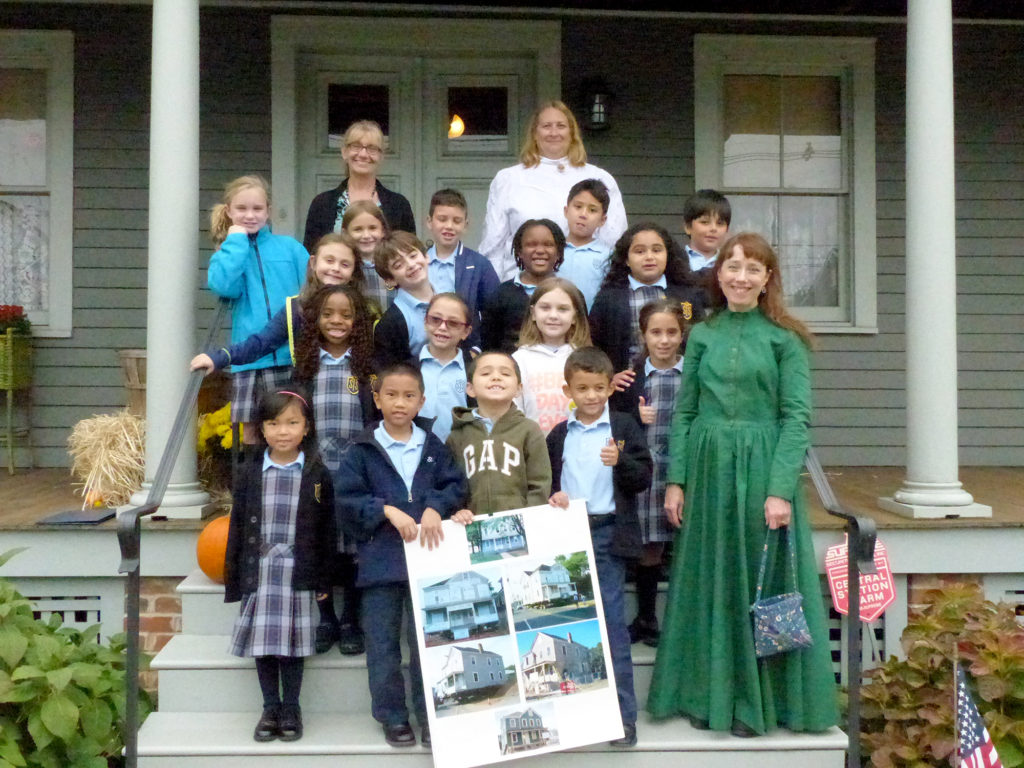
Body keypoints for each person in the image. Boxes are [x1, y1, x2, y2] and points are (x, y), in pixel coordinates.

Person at [648, 232, 838, 736]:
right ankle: (707, 694)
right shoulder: (704, 335)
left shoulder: (785, 339)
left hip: (760, 473)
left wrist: (779, 489)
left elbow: (796, 418)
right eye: (732, 267)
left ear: (767, 279)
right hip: (708, 471)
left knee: (760, 581)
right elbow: (685, 412)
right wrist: (677, 481)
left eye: (753, 269)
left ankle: (760, 703)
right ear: (719, 274)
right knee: (711, 580)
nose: (740, 277)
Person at [335, 363, 470, 748]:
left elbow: (454, 486)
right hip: (381, 563)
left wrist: (434, 507)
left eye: (409, 396)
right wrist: (384, 510)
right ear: (377, 400)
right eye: (391, 395)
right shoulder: (362, 451)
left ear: (422, 401)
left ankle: (432, 715)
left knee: (431, 643)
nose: (400, 403)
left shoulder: (432, 446)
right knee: (382, 645)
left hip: (429, 561)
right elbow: (347, 499)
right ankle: (393, 716)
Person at [547, 347, 653, 748]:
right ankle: (572, 717)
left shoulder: (623, 426)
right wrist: (554, 497)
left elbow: (643, 476)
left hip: (608, 534)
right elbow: (550, 483)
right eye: (582, 388)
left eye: (598, 388)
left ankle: (623, 719)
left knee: (610, 626)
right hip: (567, 536)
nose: (591, 396)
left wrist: (621, 461)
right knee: (568, 628)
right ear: (567, 389)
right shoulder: (559, 433)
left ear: (611, 387)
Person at [223, 388, 334, 743]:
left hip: (296, 572)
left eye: (292, 423)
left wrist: (323, 578)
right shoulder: (249, 473)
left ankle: (292, 708)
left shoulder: (316, 474)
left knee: (292, 647)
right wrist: (235, 576)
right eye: (274, 423)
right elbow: (238, 528)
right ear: (261, 429)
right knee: (265, 645)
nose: (283, 431)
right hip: (261, 572)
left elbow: (325, 529)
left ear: (306, 427)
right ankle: (270, 707)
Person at [291, 284, 378, 656]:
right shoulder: (307, 365)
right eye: (328, 314)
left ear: (357, 320)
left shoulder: (366, 366)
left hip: (356, 469)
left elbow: (375, 416)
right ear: (315, 320)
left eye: (345, 314)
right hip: (317, 470)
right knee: (321, 543)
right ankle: (326, 616)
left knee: (355, 545)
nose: (337, 321)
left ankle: (351, 618)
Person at [609, 299, 689, 646]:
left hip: (683, 468)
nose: (664, 340)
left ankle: (682, 620)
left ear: (682, 334)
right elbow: (614, 421)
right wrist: (633, 417)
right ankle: (646, 616)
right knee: (649, 545)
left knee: (679, 542)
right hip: (647, 469)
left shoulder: (692, 375)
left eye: (672, 332)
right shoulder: (630, 380)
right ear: (643, 335)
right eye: (656, 332)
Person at [206, 175, 309, 444]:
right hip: (249, 358)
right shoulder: (228, 254)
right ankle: (251, 484)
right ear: (229, 211)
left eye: (257, 209)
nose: (250, 215)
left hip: (290, 356)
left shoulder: (290, 249)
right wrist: (236, 241)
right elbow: (225, 286)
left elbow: (312, 291)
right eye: (241, 209)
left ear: (269, 212)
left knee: (288, 428)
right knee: (250, 432)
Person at [478, 101, 627, 281]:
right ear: (534, 133)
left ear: (572, 133)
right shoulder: (508, 179)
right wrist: (495, 292)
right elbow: (493, 245)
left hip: (584, 285)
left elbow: (614, 240)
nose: (554, 132)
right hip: (522, 286)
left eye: (561, 126)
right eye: (546, 126)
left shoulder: (600, 178)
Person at [191, 232, 363, 381]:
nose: (336, 268)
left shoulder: (363, 309)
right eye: (329, 260)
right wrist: (219, 358)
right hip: (307, 398)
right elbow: (261, 343)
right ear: (313, 263)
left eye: (345, 264)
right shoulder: (297, 308)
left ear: (354, 271)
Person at [589, 222, 706, 376]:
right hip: (627, 387)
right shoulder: (609, 299)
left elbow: (699, 339)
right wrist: (608, 377)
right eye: (640, 251)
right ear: (626, 259)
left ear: (667, 255)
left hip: (679, 382)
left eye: (657, 250)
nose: (649, 257)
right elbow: (594, 346)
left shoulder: (686, 295)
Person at [447, 351, 552, 516]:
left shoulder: (529, 430)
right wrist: (458, 511)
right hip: (473, 527)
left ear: (519, 389)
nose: (496, 377)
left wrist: (529, 518)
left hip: (520, 527)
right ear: (470, 388)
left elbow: (540, 483)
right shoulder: (457, 435)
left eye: (505, 373)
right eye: (486, 373)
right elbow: (451, 484)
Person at [302, 119, 416, 251]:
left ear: (381, 156)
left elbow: (409, 252)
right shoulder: (322, 204)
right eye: (356, 146)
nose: (363, 154)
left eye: (372, 148)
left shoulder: (399, 205)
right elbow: (312, 255)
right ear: (344, 152)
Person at [423, 188, 500, 351]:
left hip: (465, 352)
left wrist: (477, 350)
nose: (449, 226)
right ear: (429, 222)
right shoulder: (418, 262)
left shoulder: (479, 265)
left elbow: (494, 316)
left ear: (465, 225)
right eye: (442, 219)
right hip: (422, 349)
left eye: (456, 221)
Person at [513, 277, 590, 434]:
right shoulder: (519, 359)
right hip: (533, 449)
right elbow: (514, 412)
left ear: (575, 316)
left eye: (562, 309)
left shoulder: (585, 358)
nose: (553, 315)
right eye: (545, 308)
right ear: (533, 313)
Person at [481, 218, 564, 354]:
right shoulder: (501, 295)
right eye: (531, 244)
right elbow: (489, 344)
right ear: (519, 251)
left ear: (559, 251)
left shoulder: (569, 295)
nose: (540, 250)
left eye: (548, 244)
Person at [417, 293, 476, 442]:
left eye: (453, 323)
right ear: (425, 322)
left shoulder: (474, 371)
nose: (442, 327)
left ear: (466, 332)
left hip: (462, 453)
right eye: (435, 320)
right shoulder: (408, 369)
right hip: (419, 452)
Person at [372, 232, 434, 369]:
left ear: (426, 256)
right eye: (398, 265)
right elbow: (391, 373)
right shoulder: (390, 324)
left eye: (413, 256)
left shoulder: (451, 300)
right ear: (390, 280)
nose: (411, 265)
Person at [557, 178, 612, 310]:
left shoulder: (608, 256)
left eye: (592, 210)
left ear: (602, 220)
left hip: (591, 325)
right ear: (566, 211)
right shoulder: (552, 250)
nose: (583, 214)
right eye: (578, 207)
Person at [342, 201, 392, 315]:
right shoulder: (344, 269)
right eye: (358, 229)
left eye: (372, 228)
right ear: (345, 233)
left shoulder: (393, 266)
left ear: (383, 231)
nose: (366, 236)